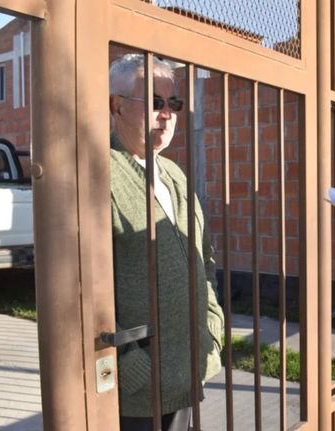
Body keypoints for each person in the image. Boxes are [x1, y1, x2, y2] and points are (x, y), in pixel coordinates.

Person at [108, 53, 224, 430]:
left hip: (186, 374)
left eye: (174, 103)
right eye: (155, 103)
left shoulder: (172, 173)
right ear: (117, 106)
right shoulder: (100, 172)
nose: (168, 114)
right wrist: (129, 362)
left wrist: (213, 326)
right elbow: (78, 285)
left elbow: (203, 257)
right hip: (138, 392)